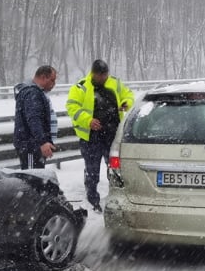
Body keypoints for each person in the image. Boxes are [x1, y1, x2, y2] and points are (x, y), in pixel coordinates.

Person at [66, 59, 134, 212]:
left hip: (112, 135)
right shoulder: (81, 86)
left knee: (114, 169)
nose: (103, 78)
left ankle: (115, 197)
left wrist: (125, 102)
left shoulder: (114, 83)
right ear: (93, 73)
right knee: (92, 170)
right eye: (100, 75)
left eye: (105, 75)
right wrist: (88, 121)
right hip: (91, 137)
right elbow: (71, 107)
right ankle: (92, 199)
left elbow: (128, 94)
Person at [13, 65, 59, 170]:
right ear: (43, 77)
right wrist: (42, 142)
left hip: (34, 145)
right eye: (52, 80)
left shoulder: (36, 92)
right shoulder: (32, 93)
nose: (54, 84)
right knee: (32, 178)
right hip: (30, 146)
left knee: (37, 179)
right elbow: (34, 119)